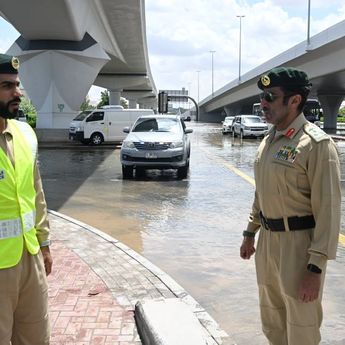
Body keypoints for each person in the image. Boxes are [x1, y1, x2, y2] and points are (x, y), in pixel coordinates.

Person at [240, 67, 341, 345]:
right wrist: (250, 233)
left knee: (301, 327)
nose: (263, 103)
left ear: (294, 101)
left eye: (271, 97)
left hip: (299, 247)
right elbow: (262, 192)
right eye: (263, 97)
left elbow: (329, 212)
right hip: (268, 242)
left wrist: (315, 268)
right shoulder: (268, 141)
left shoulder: (317, 145)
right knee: (272, 321)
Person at [0, 53, 52, 344]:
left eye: (17, 85)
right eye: (7, 86)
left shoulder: (25, 133)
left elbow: (37, 193)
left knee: (35, 337)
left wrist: (44, 244)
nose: (17, 93)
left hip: (29, 259)